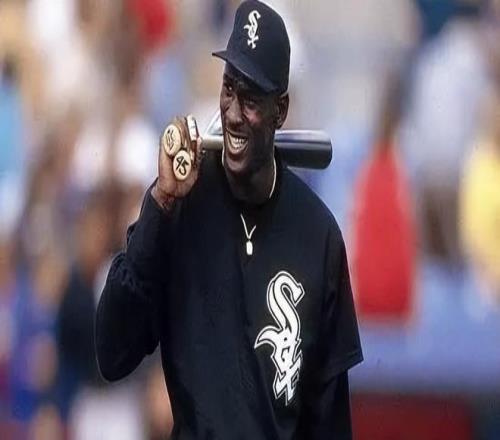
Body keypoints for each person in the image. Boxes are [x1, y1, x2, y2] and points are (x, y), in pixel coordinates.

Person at [95, 1, 363, 438]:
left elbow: (330, 419)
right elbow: (112, 351)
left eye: (252, 98)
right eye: (229, 89)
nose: (234, 113)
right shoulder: (181, 205)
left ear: (280, 111)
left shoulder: (318, 235)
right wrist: (160, 203)